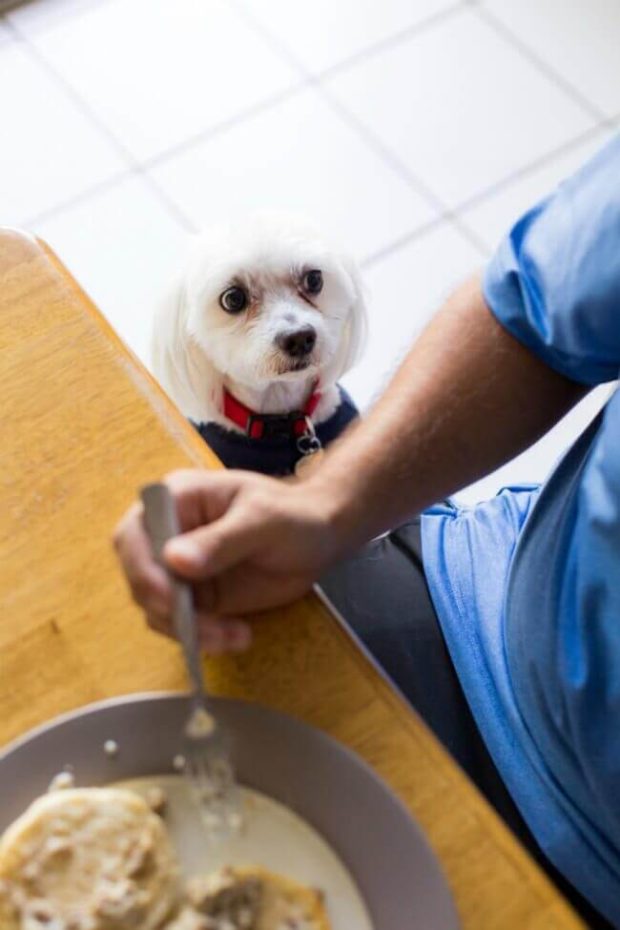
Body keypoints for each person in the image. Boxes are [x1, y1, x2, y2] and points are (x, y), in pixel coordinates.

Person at [114, 135, 620, 928]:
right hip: (486, 610)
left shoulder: (333, 412)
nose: (292, 324)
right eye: (237, 301)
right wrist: (329, 503)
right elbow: (534, 309)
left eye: (312, 287)